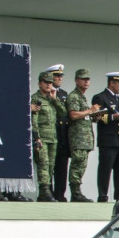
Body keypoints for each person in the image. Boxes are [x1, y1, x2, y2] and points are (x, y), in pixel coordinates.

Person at [91, 71, 119, 202]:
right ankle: (103, 195)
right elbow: (97, 116)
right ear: (111, 83)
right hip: (108, 139)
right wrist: (113, 117)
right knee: (105, 169)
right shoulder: (100, 97)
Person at [65, 68, 97, 202]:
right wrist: (90, 111)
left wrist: (94, 115)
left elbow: (83, 115)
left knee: (81, 165)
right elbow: (73, 114)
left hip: (85, 139)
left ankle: (77, 191)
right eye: (83, 79)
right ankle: (75, 192)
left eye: (87, 79)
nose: (86, 81)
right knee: (77, 164)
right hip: (78, 138)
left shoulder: (82, 97)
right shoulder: (73, 96)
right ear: (76, 80)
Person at [30, 71, 62, 201]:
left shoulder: (51, 99)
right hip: (42, 136)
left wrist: (55, 99)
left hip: (52, 137)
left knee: (51, 166)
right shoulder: (36, 98)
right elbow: (34, 119)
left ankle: (46, 192)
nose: (49, 85)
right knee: (43, 164)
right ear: (39, 83)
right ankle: (44, 190)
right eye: (46, 82)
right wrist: (36, 137)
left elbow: (63, 112)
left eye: (51, 83)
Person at [46, 64, 71, 201]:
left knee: (62, 167)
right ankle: (48, 193)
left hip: (62, 135)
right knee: (48, 166)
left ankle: (60, 194)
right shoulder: (44, 94)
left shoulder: (64, 95)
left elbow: (66, 114)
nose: (59, 78)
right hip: (50, 134)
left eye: (61, 75)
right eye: (56, 75)